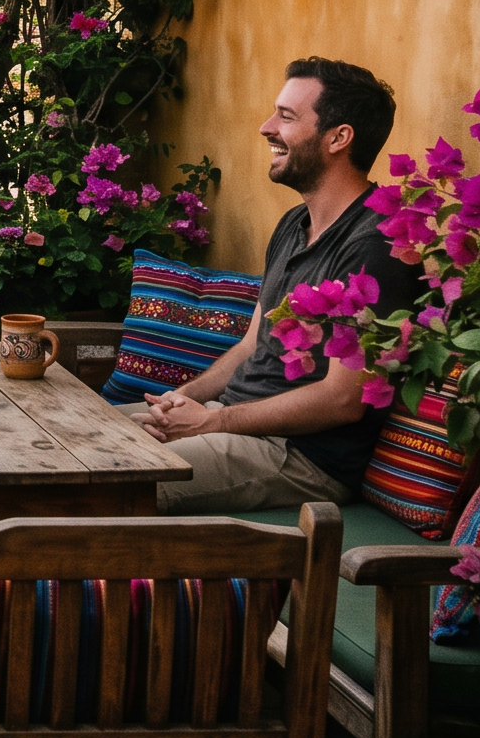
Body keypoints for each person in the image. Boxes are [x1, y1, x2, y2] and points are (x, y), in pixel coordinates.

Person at [136, 57, 419, 513]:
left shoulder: (377, 245)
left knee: (97, 478)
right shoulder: (294, 224)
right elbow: (253, 344)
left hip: (300, 456)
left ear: (338, 138)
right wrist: (182, 400)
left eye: (286, 116)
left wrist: (211, 423)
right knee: (69, 442)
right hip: (235, 426)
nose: (267, 127)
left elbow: (343, 399)